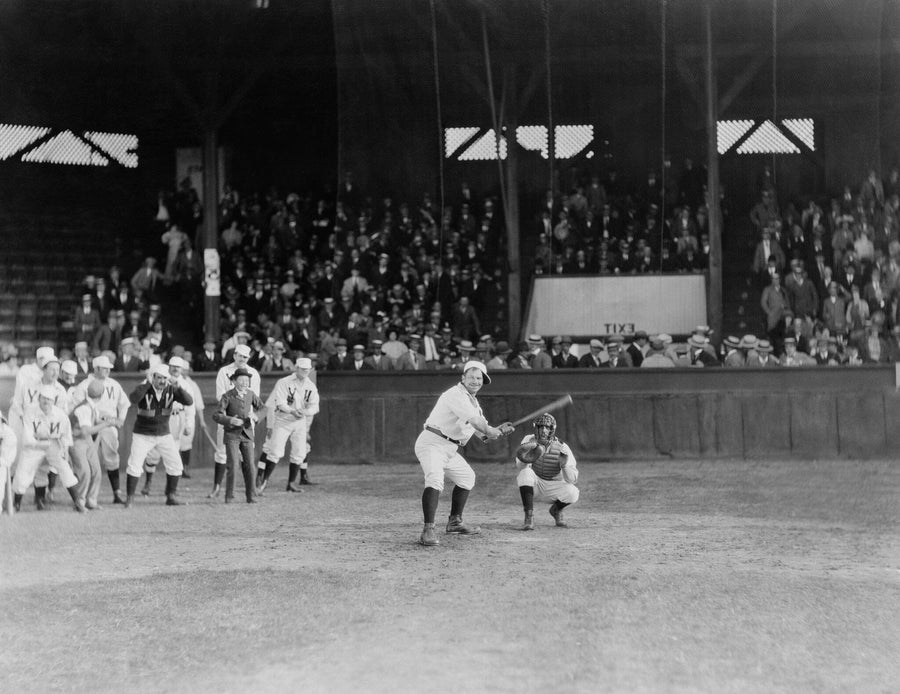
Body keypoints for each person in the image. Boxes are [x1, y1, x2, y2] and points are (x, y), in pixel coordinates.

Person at [414, 360, 513, 546]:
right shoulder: (455, 394)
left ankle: (454, 522)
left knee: (467, 478)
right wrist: (490, 430)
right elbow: (477, 422)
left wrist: (496, 431)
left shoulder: (474, 403)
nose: (475, 381)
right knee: (435, 480)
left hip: (449, 447)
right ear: (463, 378)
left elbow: (481, 431)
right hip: (432, 443)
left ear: (483, 381)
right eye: (471, 377)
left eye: (479, 378)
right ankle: (428, 530)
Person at [122, 364, 193, 507]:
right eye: (158, 378)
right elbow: (133, 399)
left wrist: (178, 387)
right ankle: (130, 498)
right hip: (143, 434)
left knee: (175, 464)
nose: (161, 381)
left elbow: (188, 401)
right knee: (134, 465)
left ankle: (171, 496)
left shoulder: (171, 388)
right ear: (152, 377)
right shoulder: (144, 388)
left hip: (163, 433)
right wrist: (147, 383)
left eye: (164, 378)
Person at [11, 385, 82, 513]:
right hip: (34, 446)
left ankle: (78, 502)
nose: (46, 402)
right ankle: (16, 504)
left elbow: (66, 434)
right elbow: (27, 438)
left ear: (53, 401)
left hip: (53, 445)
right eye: (43, 399)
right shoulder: (30, 411)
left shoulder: (60, 414)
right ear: (39, 399)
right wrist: (44, 440)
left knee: (65, 468)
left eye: (49, 400)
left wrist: (65, 449)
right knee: (23, 473)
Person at [70, 355, 130, 504]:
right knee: (87, 463)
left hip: (109, 425)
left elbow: (125, 403)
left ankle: (116, 493)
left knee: (112, 457)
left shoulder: (114, 384)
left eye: (109, 368)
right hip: (89, 427)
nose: (108, 371)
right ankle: (82, 498)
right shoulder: (84, 385)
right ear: (95, 368)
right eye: (104, 368)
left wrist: (120, 419)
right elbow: (74, 407)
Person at [256, 357, 320, 493]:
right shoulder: (284, 382)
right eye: (302, 369)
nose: (305, 372)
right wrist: (290, 412)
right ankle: (263, 481)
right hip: (283, 420)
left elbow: (315, 407)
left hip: (300, 421)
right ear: (296, 368)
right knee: (275, 451)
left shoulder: (310, 386)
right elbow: (278, 403)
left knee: (300, 452)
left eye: (307, 370)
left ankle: (291, 483)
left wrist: (305, 411)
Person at [514, 413, 579, 530]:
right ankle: (529, 517)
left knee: (573, 493)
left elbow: (572, 479)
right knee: (525, 473)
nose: (543, 430)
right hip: (535, 486)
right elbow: (520, 467)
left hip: (554, 487)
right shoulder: (529, 440)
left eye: (547, 427)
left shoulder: (562, 447)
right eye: (540, 427)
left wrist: (564, 466)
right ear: (536, 428)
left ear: (552, 429)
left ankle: (556, 510)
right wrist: (526, 458)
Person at [211, 345, 261, 493]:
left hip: (246, 420)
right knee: (221, 452)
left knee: (247, 455)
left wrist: (252, 416)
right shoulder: (224, 371)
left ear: (249, 358)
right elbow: (220, 395)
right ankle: (217, 487)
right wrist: (230, 413)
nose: (242, 359)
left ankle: (251, 489)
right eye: (239, 356)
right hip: (228, 416)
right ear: (234, 355)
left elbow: (253, 397)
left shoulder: (253, 373)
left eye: (245, 357)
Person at [69, 379, 115, 510]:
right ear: (101, 396)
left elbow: (93, 421)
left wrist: (107, 421)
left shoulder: (91, 406)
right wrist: (105, 424)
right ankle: (80, 501)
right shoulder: (84, 408)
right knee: (85, 472)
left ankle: (91, 500)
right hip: (76, 441)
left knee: (96, 471)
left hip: (86, 440)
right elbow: (85, 430)